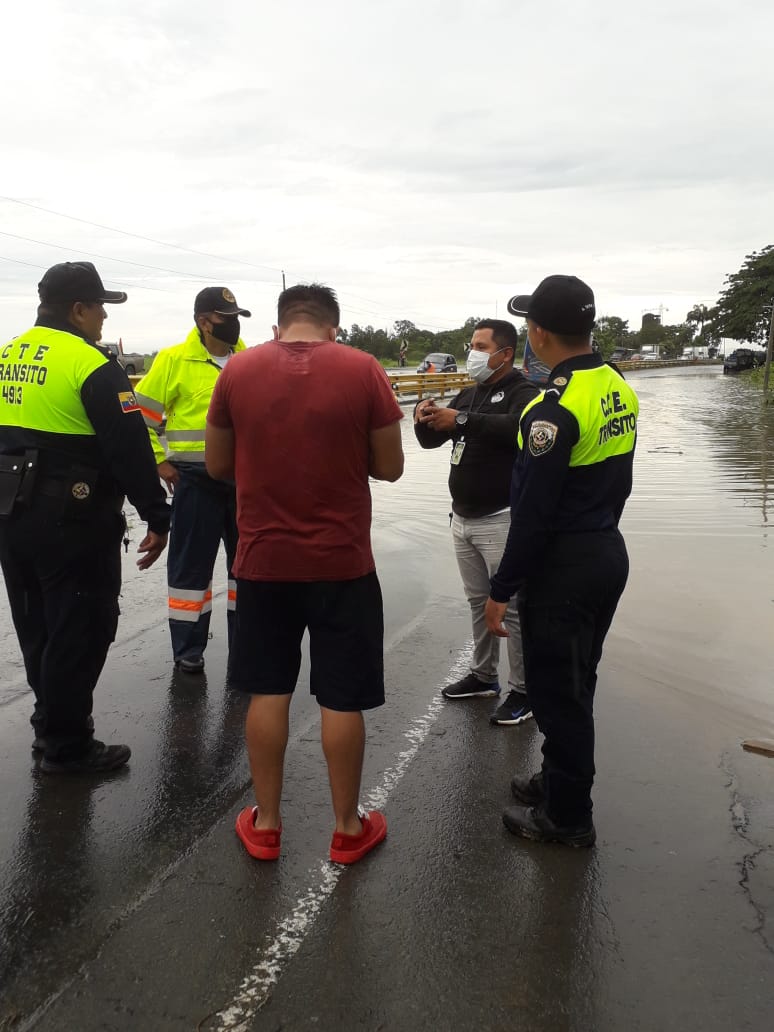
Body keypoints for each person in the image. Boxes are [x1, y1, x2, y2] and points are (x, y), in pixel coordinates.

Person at [206, 283, 404, 864]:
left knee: (268, 690)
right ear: (333, 328)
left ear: (277, 326)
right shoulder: (363, 369)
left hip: (263, 561)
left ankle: (266, 825)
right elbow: (390, 467)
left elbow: (217, 465)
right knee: (341, 696)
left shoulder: (237, 371)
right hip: (342, 563)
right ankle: (347, 828)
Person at [485, 275, 638, 846]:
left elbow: (532, 515)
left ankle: (568, 816)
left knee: (558, 695)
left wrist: (501, 588)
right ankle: (556, 780)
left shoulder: (552, 409)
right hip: (604, 550)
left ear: (539, 333)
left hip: (564, 569)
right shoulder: (615, 384)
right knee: (576, 680)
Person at [0, 261, 170, 773]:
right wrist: (156, 514)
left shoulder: (8, 354)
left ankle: (49, 721)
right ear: (78, 309)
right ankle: (67, 746)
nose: (103, 318)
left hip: (10, 513)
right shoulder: (91, 364)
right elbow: (129, 449)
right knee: (80, 628)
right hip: (72, 520)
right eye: (99, 307)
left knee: (36, 624)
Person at [415, 320, 539, 724]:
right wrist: (422, 417)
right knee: (477, 602)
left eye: (481, 346)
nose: (473, 353)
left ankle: (524, 690)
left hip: (501, 518)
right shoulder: (471, 392)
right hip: (463, 518)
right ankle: (484, 675)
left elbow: (518, 428)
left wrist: (462, 420)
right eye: (472, 345)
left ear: (505, 353)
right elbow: (433, 439)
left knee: (511, 608)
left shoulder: (523, 392)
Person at [134, 287, 250, 675]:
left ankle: (247, 645)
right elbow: (137, 419)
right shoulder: (173, 361)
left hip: (243, 483)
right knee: (190, 571)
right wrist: (159, 462)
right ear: (204, 322)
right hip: (195, 483)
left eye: (236, 318)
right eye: (225, 318)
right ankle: (188, 650)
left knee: (247, 567)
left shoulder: (247, 360)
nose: (233, 325)